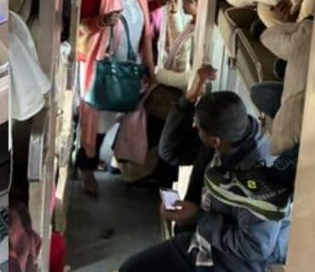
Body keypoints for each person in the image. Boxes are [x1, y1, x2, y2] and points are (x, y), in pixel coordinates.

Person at [123, 92, 290, 272]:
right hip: (201, 239)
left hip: (233, 261)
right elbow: (170, 151)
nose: (194, 127)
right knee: (131, 269)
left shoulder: (260, 180)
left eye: (198, 127)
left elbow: (254, 248)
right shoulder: (229, 132)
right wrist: (186, 101)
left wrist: (200, 217)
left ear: (215, 140)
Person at [76, 0, 156, 198]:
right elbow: (79, 27)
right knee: (98, 118)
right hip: (102, 64)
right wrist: (101, 21)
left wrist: (160, 3)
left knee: (121, 115)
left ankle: (109, 160)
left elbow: (139, 19)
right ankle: (86, 167)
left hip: (129, 65)